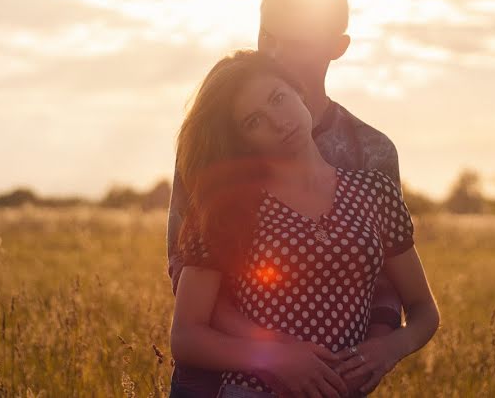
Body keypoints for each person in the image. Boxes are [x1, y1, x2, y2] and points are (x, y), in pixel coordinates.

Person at [169, 49, 440, 397]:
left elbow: (424, 310)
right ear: (241, 141)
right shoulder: (229, 207)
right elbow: (187, 336)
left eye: (278, 98)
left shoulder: (375, 192)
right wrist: (272, 357)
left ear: (298, 91)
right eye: (254, 121)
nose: (279, 121)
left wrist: (389, 350)